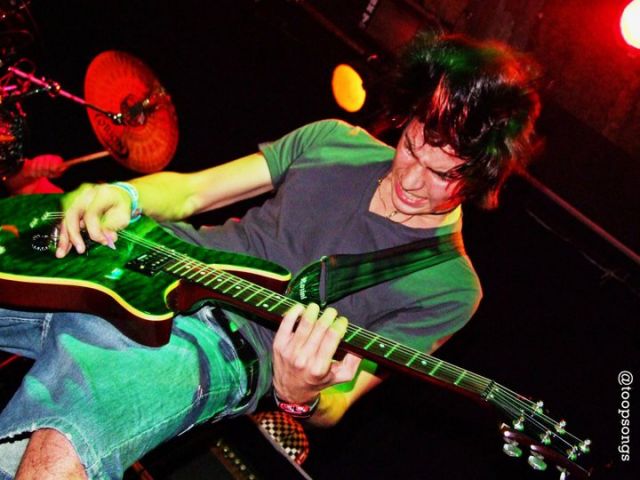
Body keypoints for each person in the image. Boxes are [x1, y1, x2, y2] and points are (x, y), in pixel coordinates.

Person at [0, 32, 540, 479]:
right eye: (412, 147)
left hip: (217, 345)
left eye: (442, 174)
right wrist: (125, 194)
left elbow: (340, 400)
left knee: (64, 444)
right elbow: (191, 193)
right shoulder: (334, 139)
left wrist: (300, 393)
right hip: (134, 261)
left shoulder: (449, 284)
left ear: (481, 177)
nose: (412, 180)